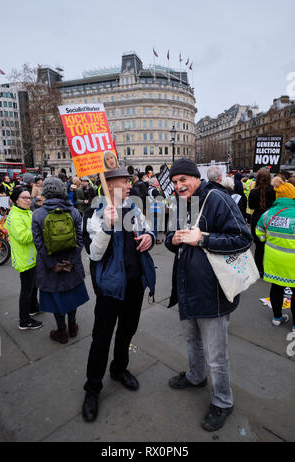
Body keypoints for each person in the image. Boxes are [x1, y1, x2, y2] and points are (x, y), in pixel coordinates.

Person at [165, 158, 252, 432]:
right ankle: (195, 376)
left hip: (213, 291)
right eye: (175, 181)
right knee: (192, 342)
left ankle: (223, 401)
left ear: (195, 177)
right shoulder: (181, 203)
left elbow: (242, 237)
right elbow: (173, 237)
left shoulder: (217, 198)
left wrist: (202, 239)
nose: (179, 186)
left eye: (183, 180)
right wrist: (174, 239)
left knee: (217, 354)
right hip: (187, 287)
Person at [82, 164, 156, 423]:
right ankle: (92, 388)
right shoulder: (95, 212)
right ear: (108, 184)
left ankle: (119, 369)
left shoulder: (134, 208)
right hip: (110, 288)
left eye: (129, 181)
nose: (129, 185)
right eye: (123, 182)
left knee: (127, 331)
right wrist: (106, 226)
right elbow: (94, 254)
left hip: (135, 284)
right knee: (101, 338)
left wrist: (150, 237)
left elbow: (148, 230)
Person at [32, 177, 89, 344]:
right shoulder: (74, 212)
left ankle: (61, 331)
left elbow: (39, 244)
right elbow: (80, 240)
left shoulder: (38, 214)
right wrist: (71, 261)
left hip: (51, 267)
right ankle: (72, 326)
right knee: (72, 295)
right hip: (71, 264)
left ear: (45, 192)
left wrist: (52, 265)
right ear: (63, 191)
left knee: (56, 298)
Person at [255, 191, 295, 330]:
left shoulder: (268, 214)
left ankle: (277, 318)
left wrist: (265, 240)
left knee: (276, 288)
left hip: (274, 261)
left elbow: (259, 232)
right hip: (293, 263)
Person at [5, 187, 43, 330]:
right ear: (15, 200)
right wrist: (37, 227)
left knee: (34, 286)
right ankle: (24, 320)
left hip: (33, 257)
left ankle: (33, 307)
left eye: (29, 198)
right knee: (26, 290)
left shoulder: (27, 212)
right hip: (24, 259)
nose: (28, 200)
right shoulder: (14, 216)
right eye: (24, 198)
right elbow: (23, 237)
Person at [248, 169, 276, 276]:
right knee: (272, 247)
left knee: (259, 248)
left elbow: (250, 206)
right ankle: (270, 269)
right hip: (271, 220)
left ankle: (258, 269)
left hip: (257, 220)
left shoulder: (253, 192)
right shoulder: (273, 190)